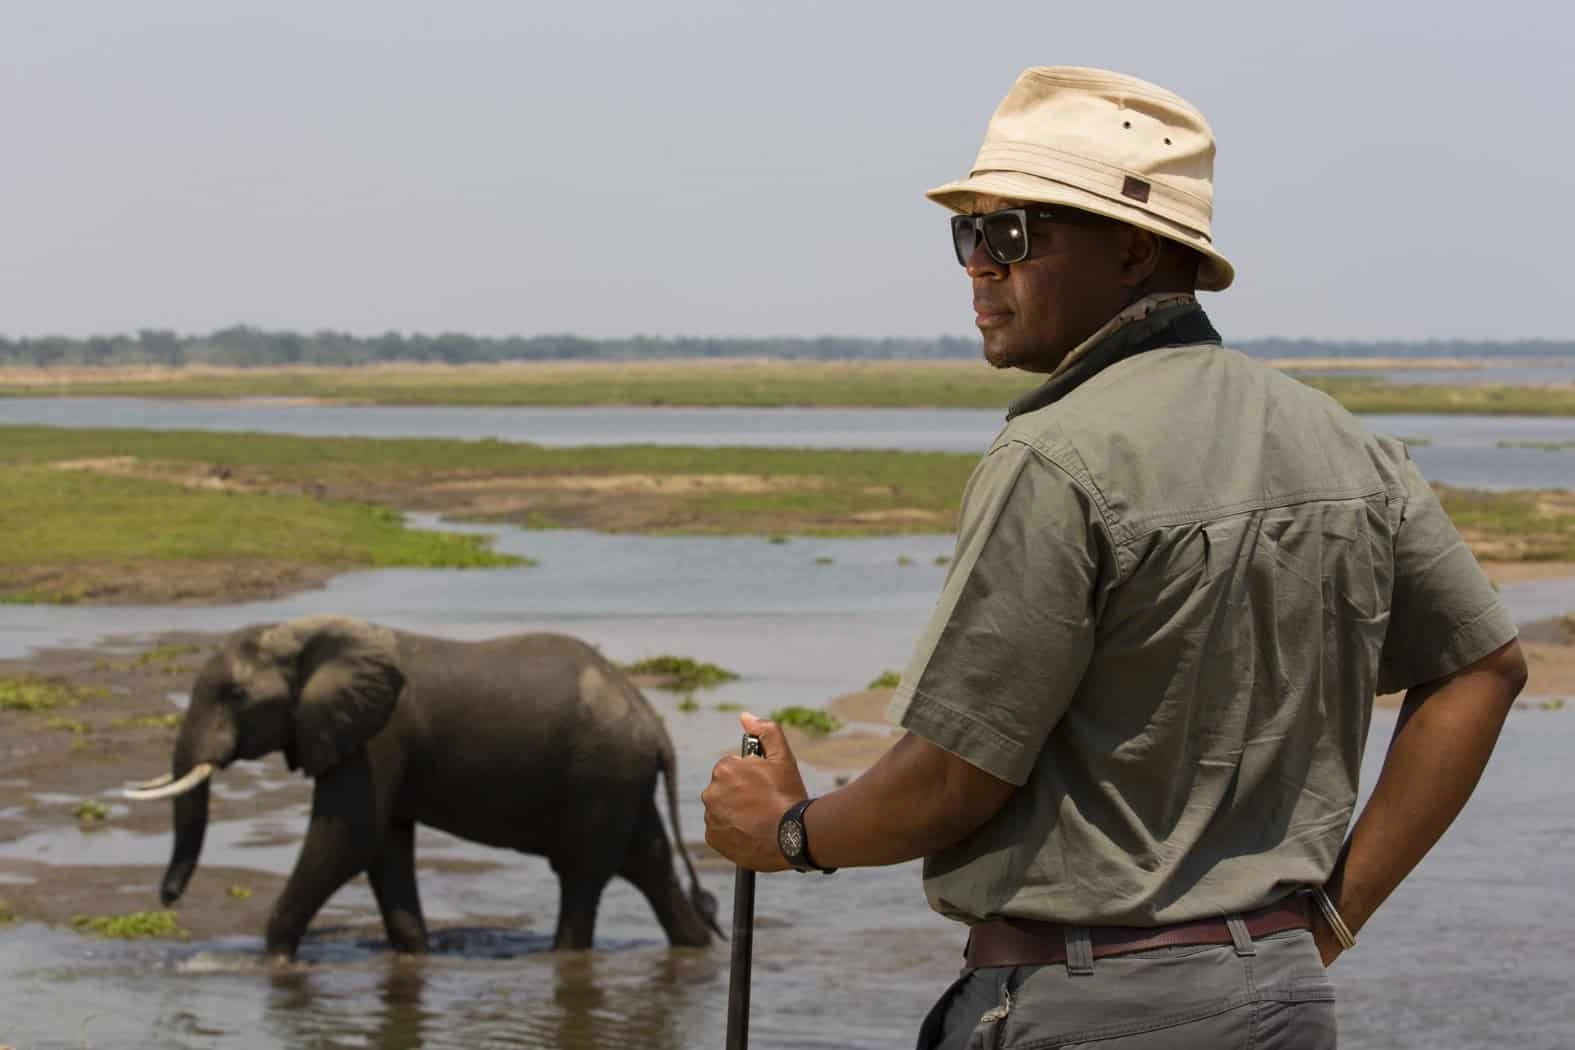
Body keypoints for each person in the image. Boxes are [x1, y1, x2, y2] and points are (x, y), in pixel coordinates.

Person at [701, 66, 1527, 1049]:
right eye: (968, 234)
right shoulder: (1346, 442)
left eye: (1009, 235)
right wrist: (1329, 920)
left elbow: (954, 780)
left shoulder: (1055, 457)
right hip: (1285, 1000)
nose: (978, 267)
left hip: (1085, 1002)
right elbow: (1484, 668)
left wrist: (790, 831)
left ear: (1134, 249)